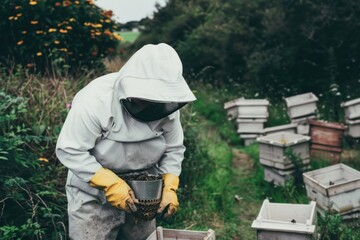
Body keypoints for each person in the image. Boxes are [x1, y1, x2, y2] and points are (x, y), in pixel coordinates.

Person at [55, 43, 196, 240]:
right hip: (93, 193)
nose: (151, 106)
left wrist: (170, 185)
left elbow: (174, 149)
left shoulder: (168, 105)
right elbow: (70, 150)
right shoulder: (95, 102)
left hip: (146, 190)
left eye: (157, 100)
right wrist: (111, 184)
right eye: (146, 99)